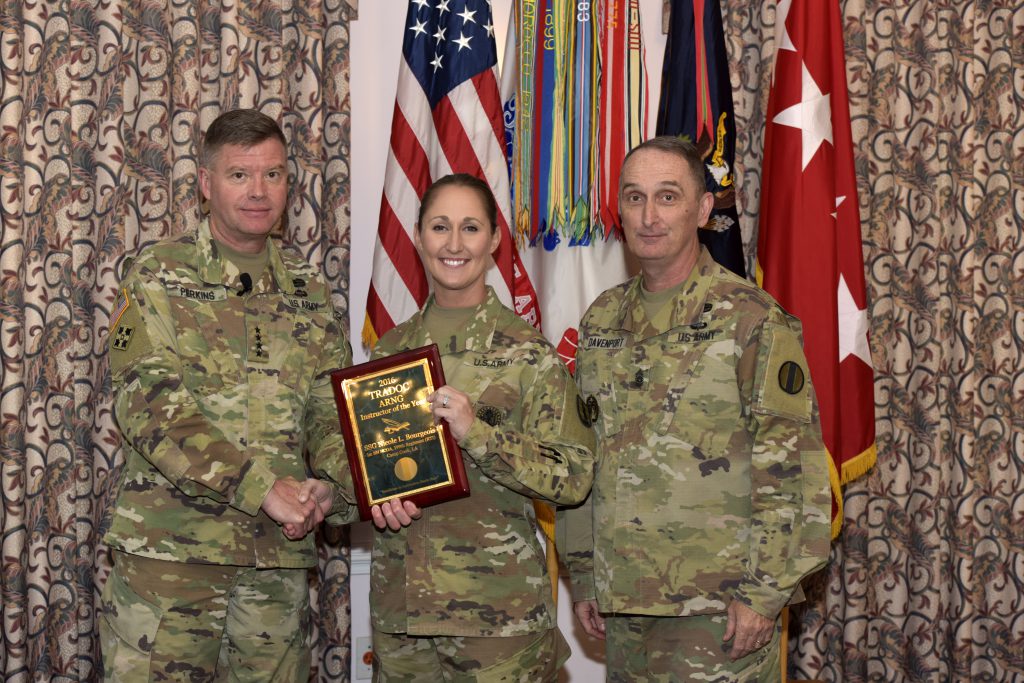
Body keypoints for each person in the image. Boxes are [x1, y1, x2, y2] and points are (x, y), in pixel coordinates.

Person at [561, 136, 831, 681]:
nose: (649, 216)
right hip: (626, 602)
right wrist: (585, 575)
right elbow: (584, 455)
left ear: (703, 208)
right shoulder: (601, 320)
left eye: (668, 196)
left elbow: (793, 469)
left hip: (720, 611)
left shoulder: (751, 318)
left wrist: (764, 594)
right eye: (634, 197)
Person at [100, 108, 353, 681]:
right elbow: (150, 408)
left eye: (274, 174)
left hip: (275, 564)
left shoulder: (309, 292)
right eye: (240, 175)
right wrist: (262, 488)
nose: (259, 192)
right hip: (173, 558)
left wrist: (332, 490)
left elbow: (331, 417)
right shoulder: (158, 274)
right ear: (205, 183)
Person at [352, 173, 596, 681]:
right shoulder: (390, 352)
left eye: (470, 228)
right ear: (418, 235)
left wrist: (477, 433)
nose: (455, 244)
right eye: (440, 227)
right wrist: (375, 498)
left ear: (493, 240)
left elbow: (572, 476)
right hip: (401, 613)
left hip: (496, 616)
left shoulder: (529, 353)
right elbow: (371, 464)